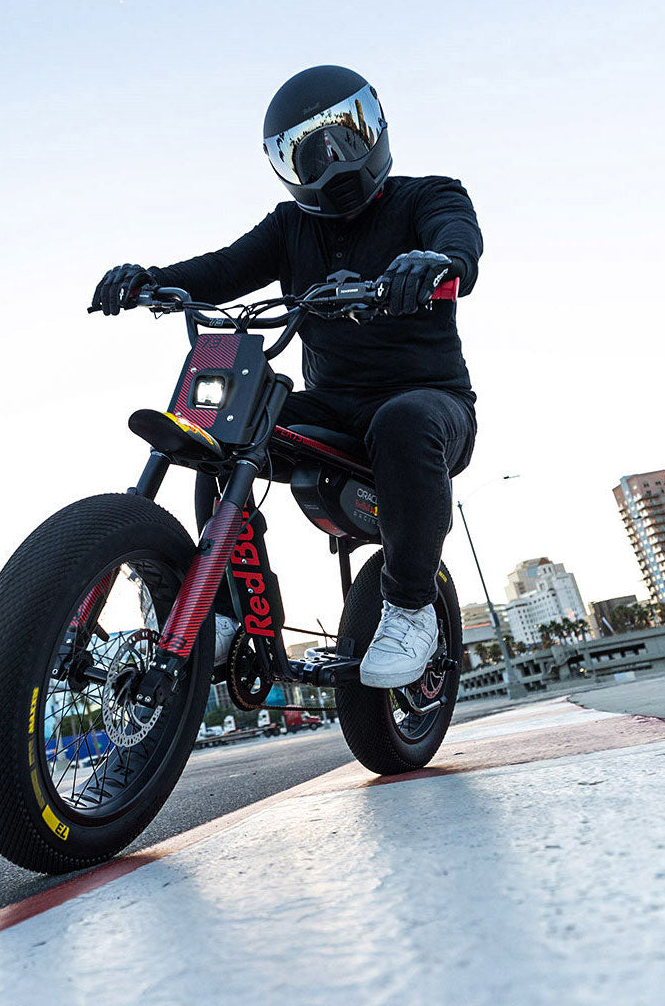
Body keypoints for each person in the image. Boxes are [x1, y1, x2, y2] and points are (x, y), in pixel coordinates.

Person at [90, 65, 483, 690]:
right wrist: (149, 277)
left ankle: (410, 609)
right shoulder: (290, 226)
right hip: (329, 409)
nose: (330, 163)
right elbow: (223, 268)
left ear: (374, 129)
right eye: (307, 153)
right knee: (226, 425)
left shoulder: (428, 196)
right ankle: (220, 609)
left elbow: (459, 238)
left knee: (403, 420)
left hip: (430, 405)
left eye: (343, 140)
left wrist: (438, 260)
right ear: (285, 165)